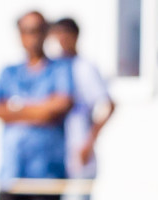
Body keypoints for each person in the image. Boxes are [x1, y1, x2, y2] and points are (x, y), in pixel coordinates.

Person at [0, 11, 73, 200]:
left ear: (46, 33)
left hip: (47, 178)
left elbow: (60, 106)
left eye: (37, 30)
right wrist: (41, 109)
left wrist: (16, 110)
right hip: (12, 176)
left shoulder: (60, 69)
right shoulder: (8, 72)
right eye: (27, 31)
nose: (32, 37)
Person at [49, 17, 113, 196]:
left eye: (64, 36)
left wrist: (89, 142)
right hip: (55, 151)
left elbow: (109, 105)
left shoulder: (84, 67)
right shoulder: (54, 67)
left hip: (78, 149)